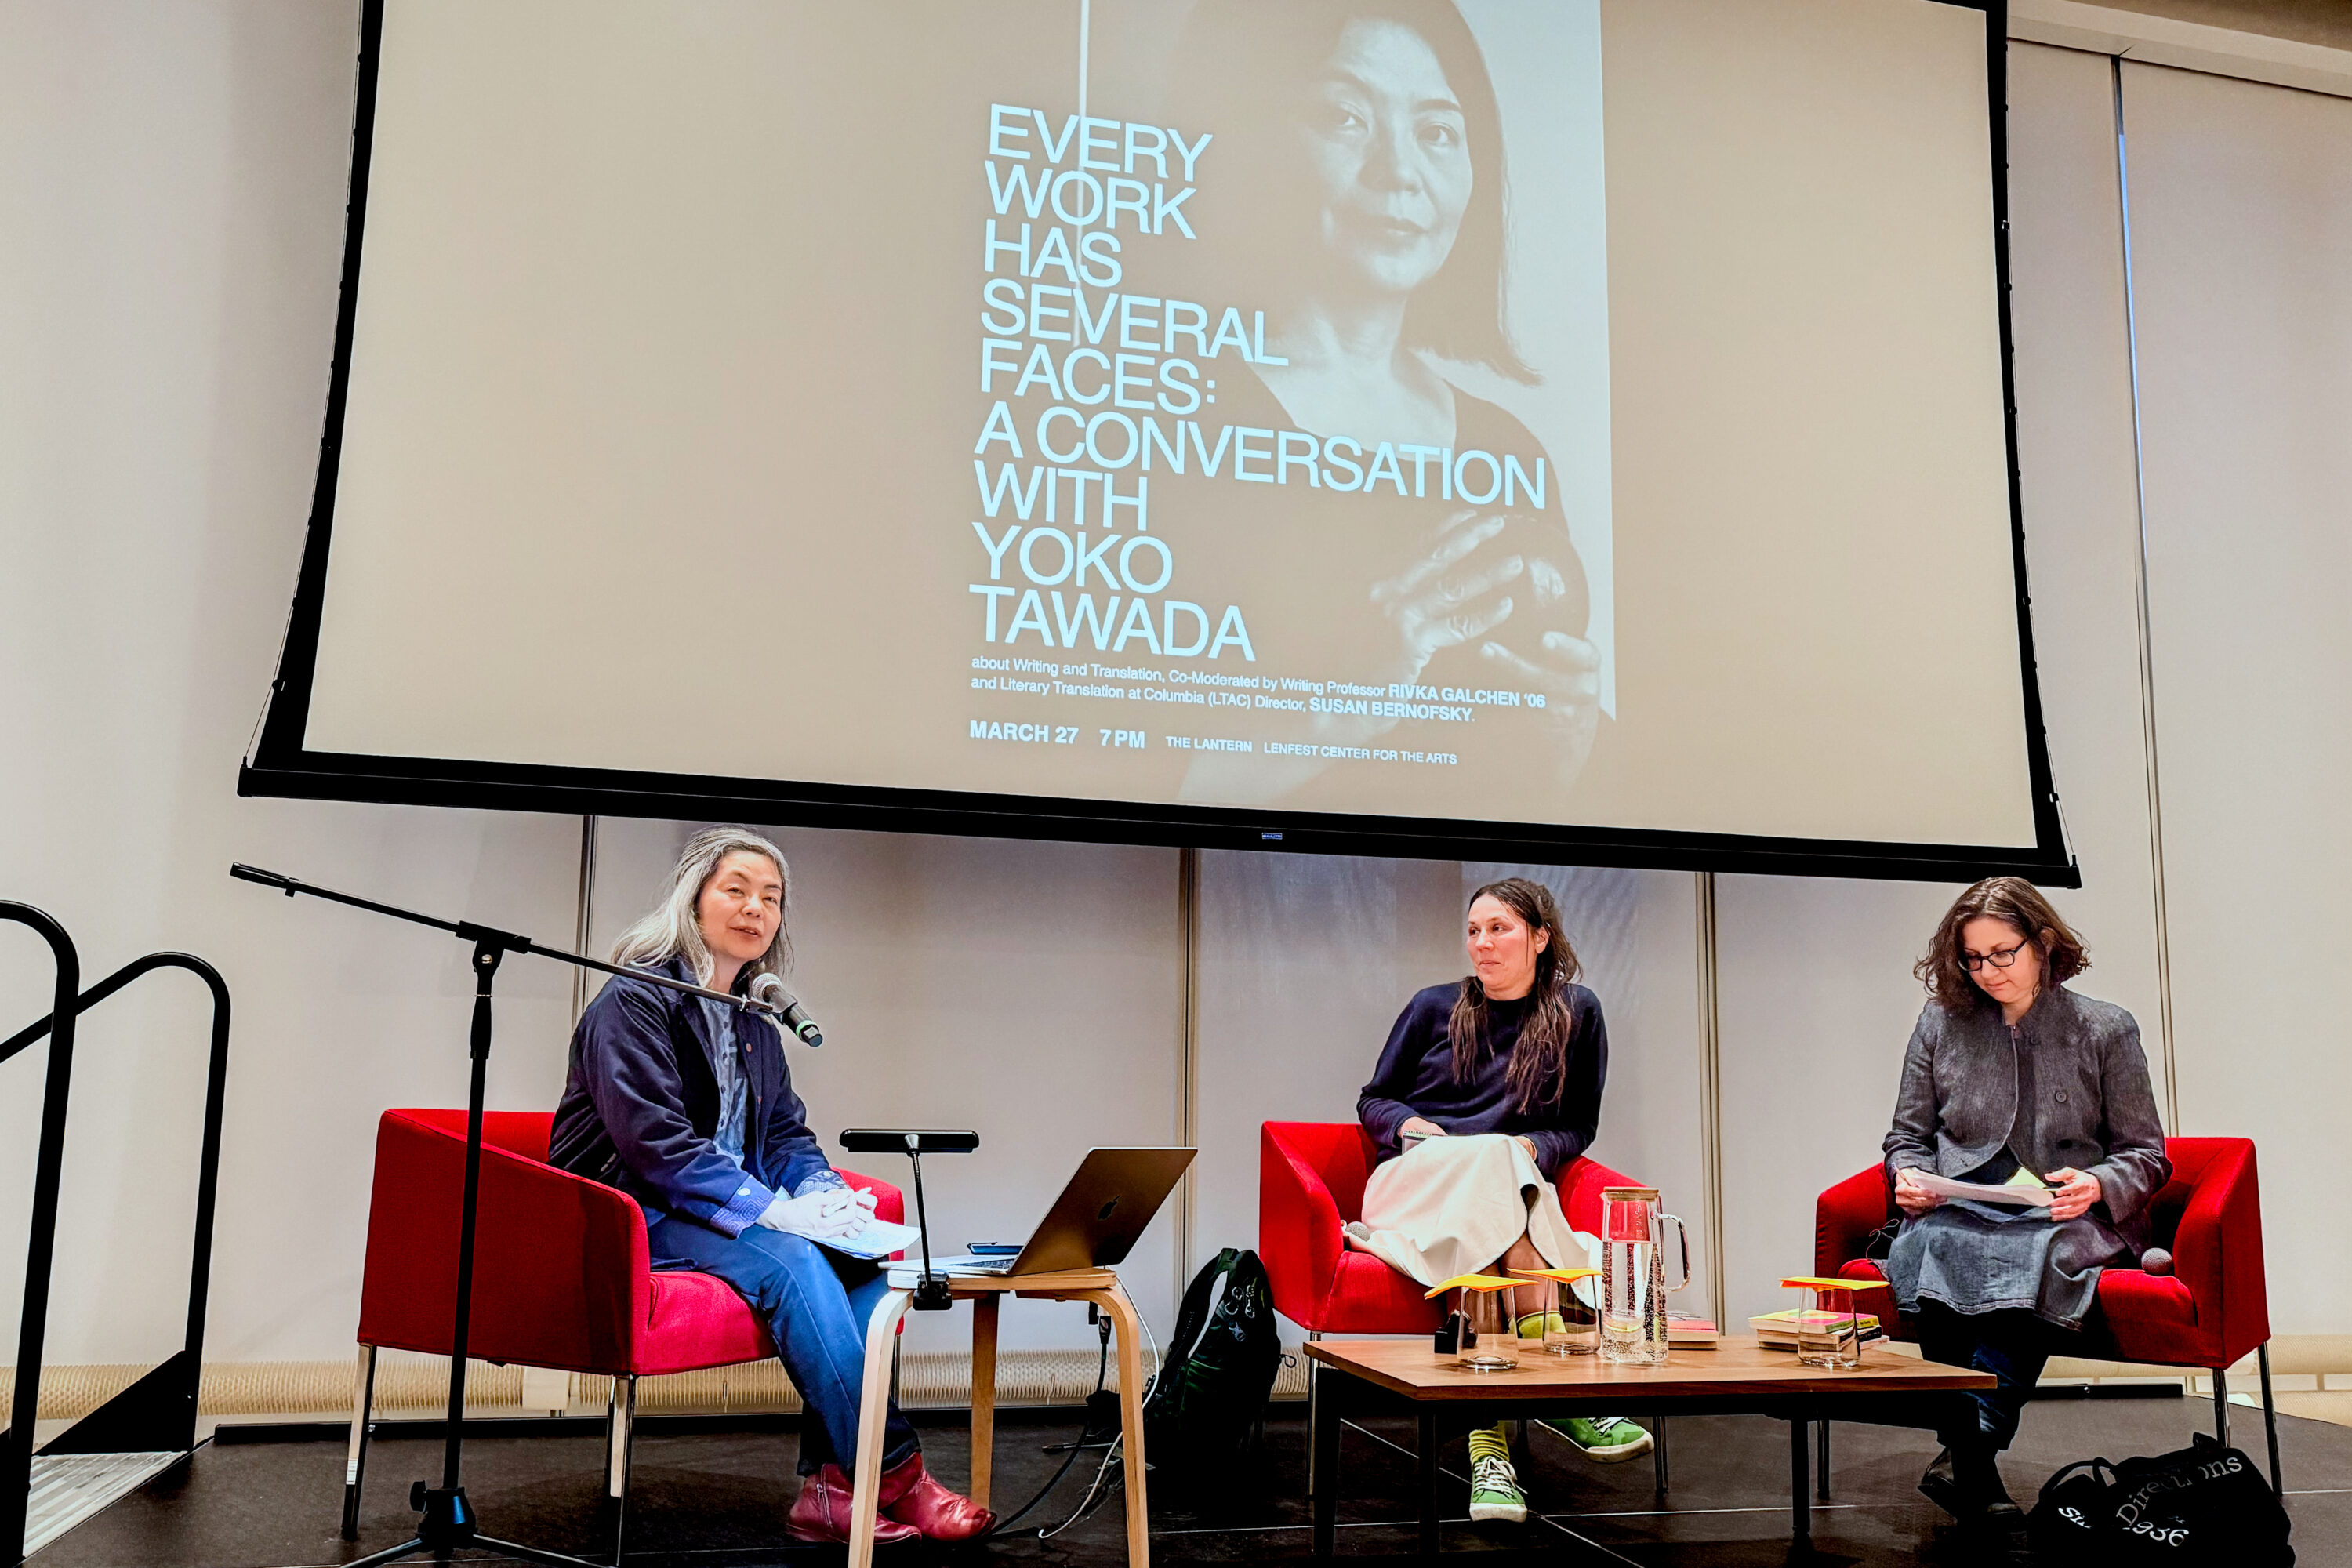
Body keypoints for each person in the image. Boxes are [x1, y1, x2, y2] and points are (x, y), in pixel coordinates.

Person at [1156, 1, 1605, 809]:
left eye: (1437, 131)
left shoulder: (1509, 454)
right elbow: (1114, 775)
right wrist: (1351, 696)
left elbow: (1523, 804)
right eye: (1344, 116)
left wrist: (1568, 747)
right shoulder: (1156, 414)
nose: (1400, 171)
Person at [548, 828, 992, 1545]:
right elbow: (655, 1146)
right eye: (736, 890)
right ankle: (899, 1477)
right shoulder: (634, 1001)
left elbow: (784, 1133)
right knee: (791, 1261)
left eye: (772, 898)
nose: (755, 908)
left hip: (719, 1207)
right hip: (631, 1208)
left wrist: (820, 1195)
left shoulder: (755, 1020)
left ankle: (835, 1489)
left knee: (868, 1266)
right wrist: (776, 1212)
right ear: (693, 901)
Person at [1354, 877, 1643, 1523]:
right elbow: (1373, 1098)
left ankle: (1489, 1447)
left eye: (1499, 929)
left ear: (1541, 938)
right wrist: (1412, 1129)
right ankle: (1560, 1391)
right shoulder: (1432, 1008)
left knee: (1499, 1172)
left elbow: (1577, 1127)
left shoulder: (1577, 1013)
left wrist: (1533, 1149)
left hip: (1504, 1185)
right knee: (1491, 1163)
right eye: (1473, 931)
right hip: (1418, 1181)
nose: (1482, 944)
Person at [1882, 877, 2169, 1527]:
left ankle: (1971, 1448)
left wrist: (2098, 1183)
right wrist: (1909, 1176)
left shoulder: (2105, 1027)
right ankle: (1974, 1461)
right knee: (1933, 1240)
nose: (1987, 972)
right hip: (1963, 1205)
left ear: (2041, 944)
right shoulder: (1940, 1023)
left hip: (2063, 1214)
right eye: (1973, 959)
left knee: (2043, 1251)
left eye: (2002, 953)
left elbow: (2146, 1154)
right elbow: (1907, 1137)